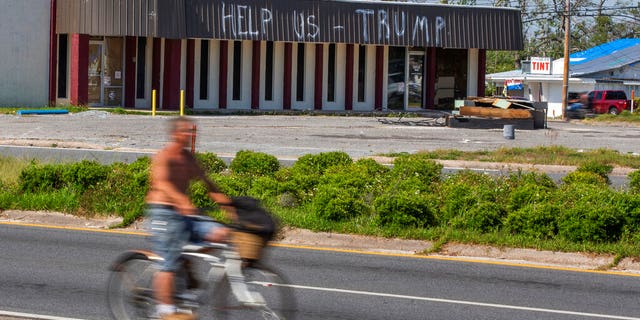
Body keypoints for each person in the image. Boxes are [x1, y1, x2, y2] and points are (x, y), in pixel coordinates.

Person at [145, 116, 232, 320]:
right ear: (175, 133)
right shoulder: (164, 156)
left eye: (192, 132)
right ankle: (164, 311)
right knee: (168, 264)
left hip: (185, 214)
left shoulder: (189, 158)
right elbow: (162, 183)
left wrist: (227, 204)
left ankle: (184, 264)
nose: (190, 135)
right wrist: (181, 200)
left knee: (220, 233)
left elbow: (208, 183)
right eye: (186, 131)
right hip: (163, 212)